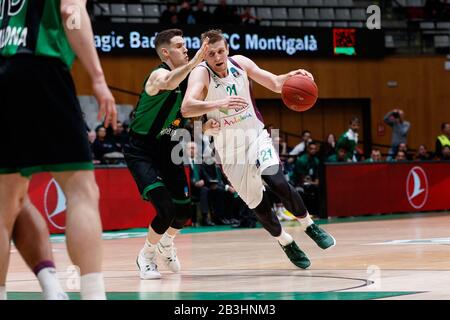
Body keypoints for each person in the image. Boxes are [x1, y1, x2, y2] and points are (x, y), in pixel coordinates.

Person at [181, 29, 335, 269]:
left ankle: (309, 226)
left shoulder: (240, 63)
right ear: (204, 55)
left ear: (227, 49)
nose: (217, 57)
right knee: (259, 206)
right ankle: (285, 241)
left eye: (221, 51)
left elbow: (274, 83)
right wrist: (219, 104)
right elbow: (187, 107)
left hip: (255, 137)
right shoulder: (201, 74)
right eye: (211, 53)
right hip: (229, 150)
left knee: (277, 180)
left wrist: (291, 75)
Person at [0, 0, 117, 300]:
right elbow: (71, 12)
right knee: (81, 191)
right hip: (41, 68)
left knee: (4, 205)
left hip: (4, 72)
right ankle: (93, 294)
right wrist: (98, 78)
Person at [123, 29, 209, 280]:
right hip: (142, 149)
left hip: (169, 146)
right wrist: (194, 63)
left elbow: (180, 118)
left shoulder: (188, 83)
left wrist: (204, 125)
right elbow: (168, 82)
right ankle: (146, 256)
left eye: (185, 45)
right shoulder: (158, 75)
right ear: (165, 52)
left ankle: (166, 244)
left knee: (183, 213)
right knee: (165, 209)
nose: (185, 49)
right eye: (180, 46)